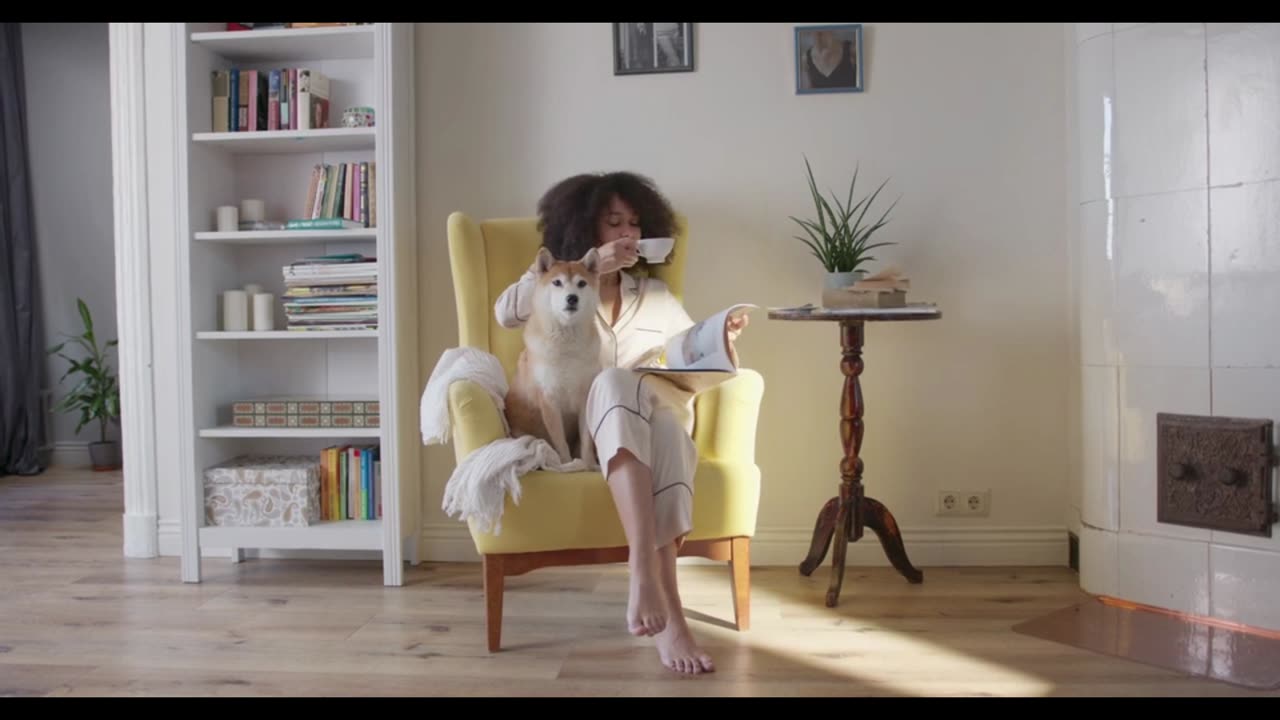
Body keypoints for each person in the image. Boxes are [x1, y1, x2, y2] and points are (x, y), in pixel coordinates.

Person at [494, 171, 748, 675]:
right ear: (587, 228)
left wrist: (722, 340)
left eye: (635, 224)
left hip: (656, 413)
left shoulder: (653, 293)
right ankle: (662, 599)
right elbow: (505, 313)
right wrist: (588, 267)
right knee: (611, 383)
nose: (628, 234)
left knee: (668, 424)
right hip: (605, 419)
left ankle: (645, 576)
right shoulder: (554, 282)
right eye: (615, 224)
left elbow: (686, 353)